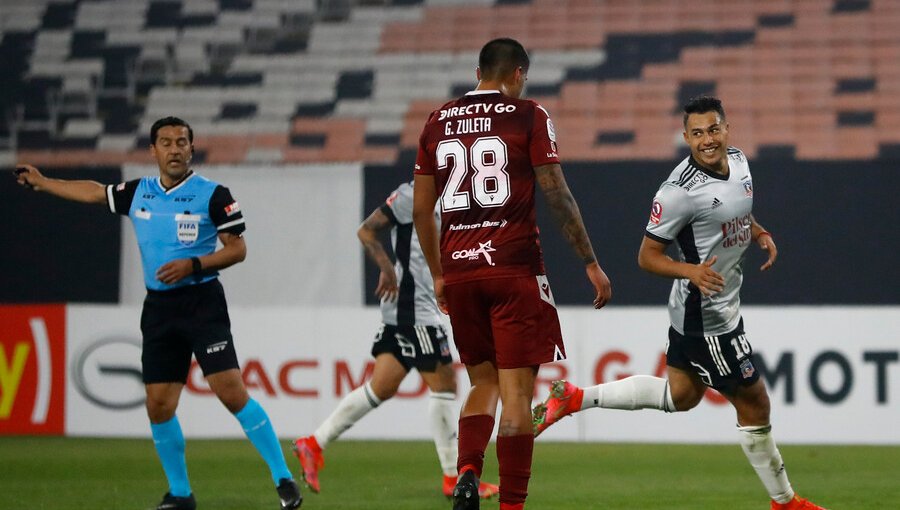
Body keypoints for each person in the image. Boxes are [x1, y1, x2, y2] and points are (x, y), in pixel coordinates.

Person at [532, 96, 826, 510]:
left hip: (717, 305)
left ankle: (575, 398)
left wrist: (757, 232)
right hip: (705, 314)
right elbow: (646, 256)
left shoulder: (740, 162)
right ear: (686, 137)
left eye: (714, 129)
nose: (708, 139)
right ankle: (784, 501)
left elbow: (734, 212)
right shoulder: (678, 193)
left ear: (727, 129)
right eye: (698, 133)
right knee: (755, 400)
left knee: (682, 395)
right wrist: (691, 272)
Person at [14, 116, 302, 510]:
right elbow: (95, 192)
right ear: (153, 151)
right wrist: (44, 182)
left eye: (181, 141)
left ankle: (282, 477)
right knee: (159, 404)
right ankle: (181, 494)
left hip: (202, 303)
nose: (174, 149)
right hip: (160, 309)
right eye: (166, 142)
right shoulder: (139, 193)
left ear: (191, 148)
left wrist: (194, 265)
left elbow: (237, 249)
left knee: (231, 393)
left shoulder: (213, 194)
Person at [412, 38, 612, 510]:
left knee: (482, 383)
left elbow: (423, 210)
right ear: (518, 74)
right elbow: (557, 193)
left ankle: (466, 470)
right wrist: (589, 260)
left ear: (477, 70)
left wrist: (440, 275)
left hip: (460, 273)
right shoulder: (528, 115)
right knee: (517, 393)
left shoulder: (438, 120)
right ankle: (512, 505)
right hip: (512, 269)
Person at [291, 180, 499, 500]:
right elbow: (366, 230)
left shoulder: (460, 194)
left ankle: (314, 443)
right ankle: (452, 476)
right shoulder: (413, 194)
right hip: (412, 307)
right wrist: (387, 268)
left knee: (381, 387)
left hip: (419, 305)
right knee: (445, 386)